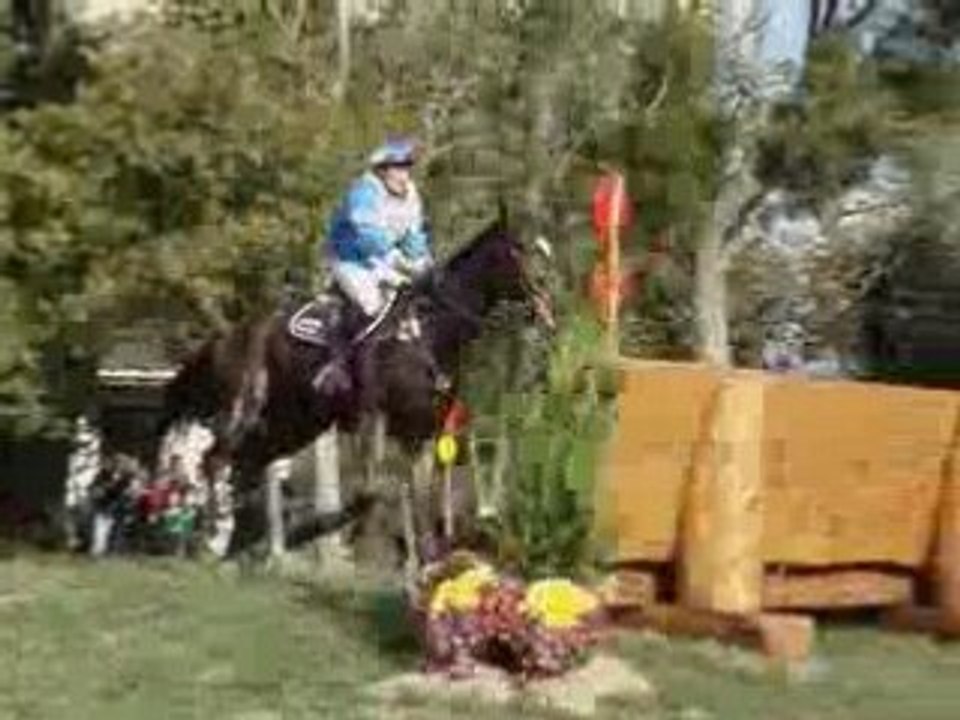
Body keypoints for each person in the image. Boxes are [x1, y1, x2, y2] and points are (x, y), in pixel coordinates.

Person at [322, 136, 435, 326]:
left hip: (384, 261)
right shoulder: (364, 192)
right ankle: (341, 353)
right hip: (352, 261)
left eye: (407, 167)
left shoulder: (410, 194)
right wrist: (398, 259)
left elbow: (414, 234)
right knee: (374, 308)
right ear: (382, 171)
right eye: (397, 168)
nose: (404, 174)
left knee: (416, 300)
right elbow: (368, 235)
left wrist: (422, 260)